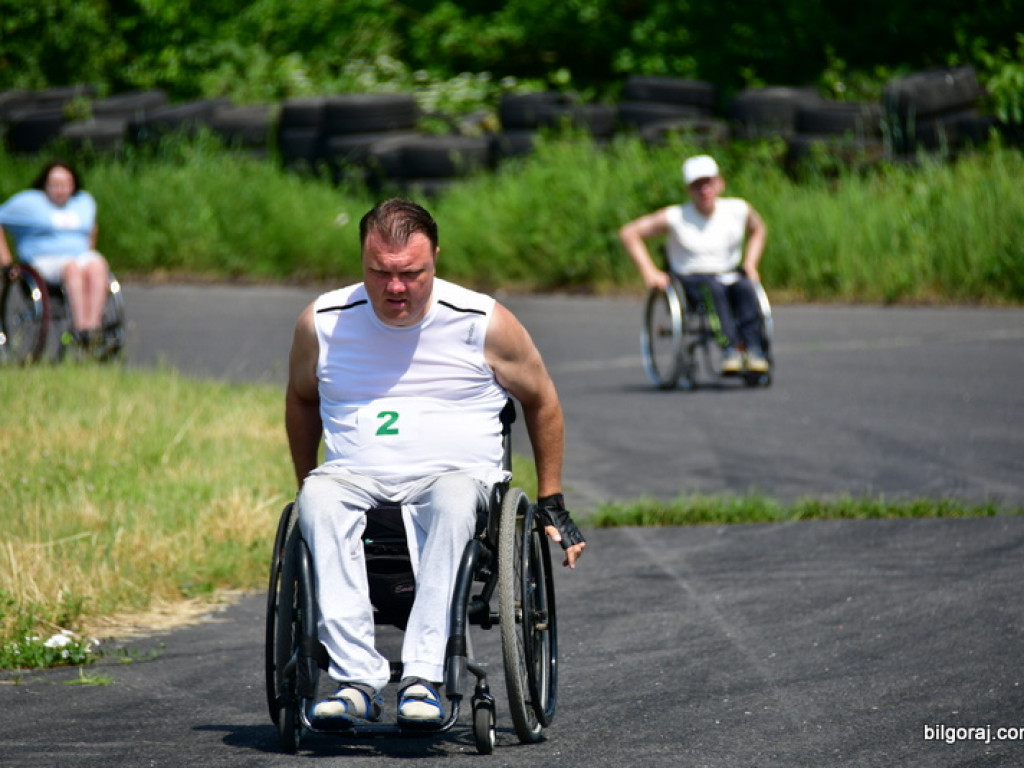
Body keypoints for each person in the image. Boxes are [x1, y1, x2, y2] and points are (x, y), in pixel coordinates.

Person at [285, 197, 586, 727]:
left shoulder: (482, 321)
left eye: (411, 273)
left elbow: (541, 400)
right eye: (380, 272)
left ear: (436, 260)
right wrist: (305, 478)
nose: (395, 287)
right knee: (317, 498)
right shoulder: (323, 322)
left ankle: (423, 678)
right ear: (362, 261)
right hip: (354, 476)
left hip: (454, 477)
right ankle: (356, 681)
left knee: (452, 498)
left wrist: (552, 498)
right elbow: (302, 399)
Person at [618, 154, 769, 374]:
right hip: (692, 279)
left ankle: (754, 349)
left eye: (708, 183)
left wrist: (751, 262)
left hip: (729, 274)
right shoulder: (675, 216)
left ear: (719, 183)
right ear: (689, 189)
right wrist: (649, 271)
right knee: (713, 290)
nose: (704, 190)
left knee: (746, 288)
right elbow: (629, 233)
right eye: (697, 185)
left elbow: (759, 229)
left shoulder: (738, 209)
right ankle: (731, 349)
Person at [0, 160, 112, 351]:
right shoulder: (28, 203)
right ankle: (80, 328)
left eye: (66, 184)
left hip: (79, 256)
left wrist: (89, 250)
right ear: (45, 184)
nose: (61, 190)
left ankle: (92, 327)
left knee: (97, 264)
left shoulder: (83, 202)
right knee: (72, 267)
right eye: (55, 184)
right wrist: (6, 261)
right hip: (43, 260)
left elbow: (92, 228)